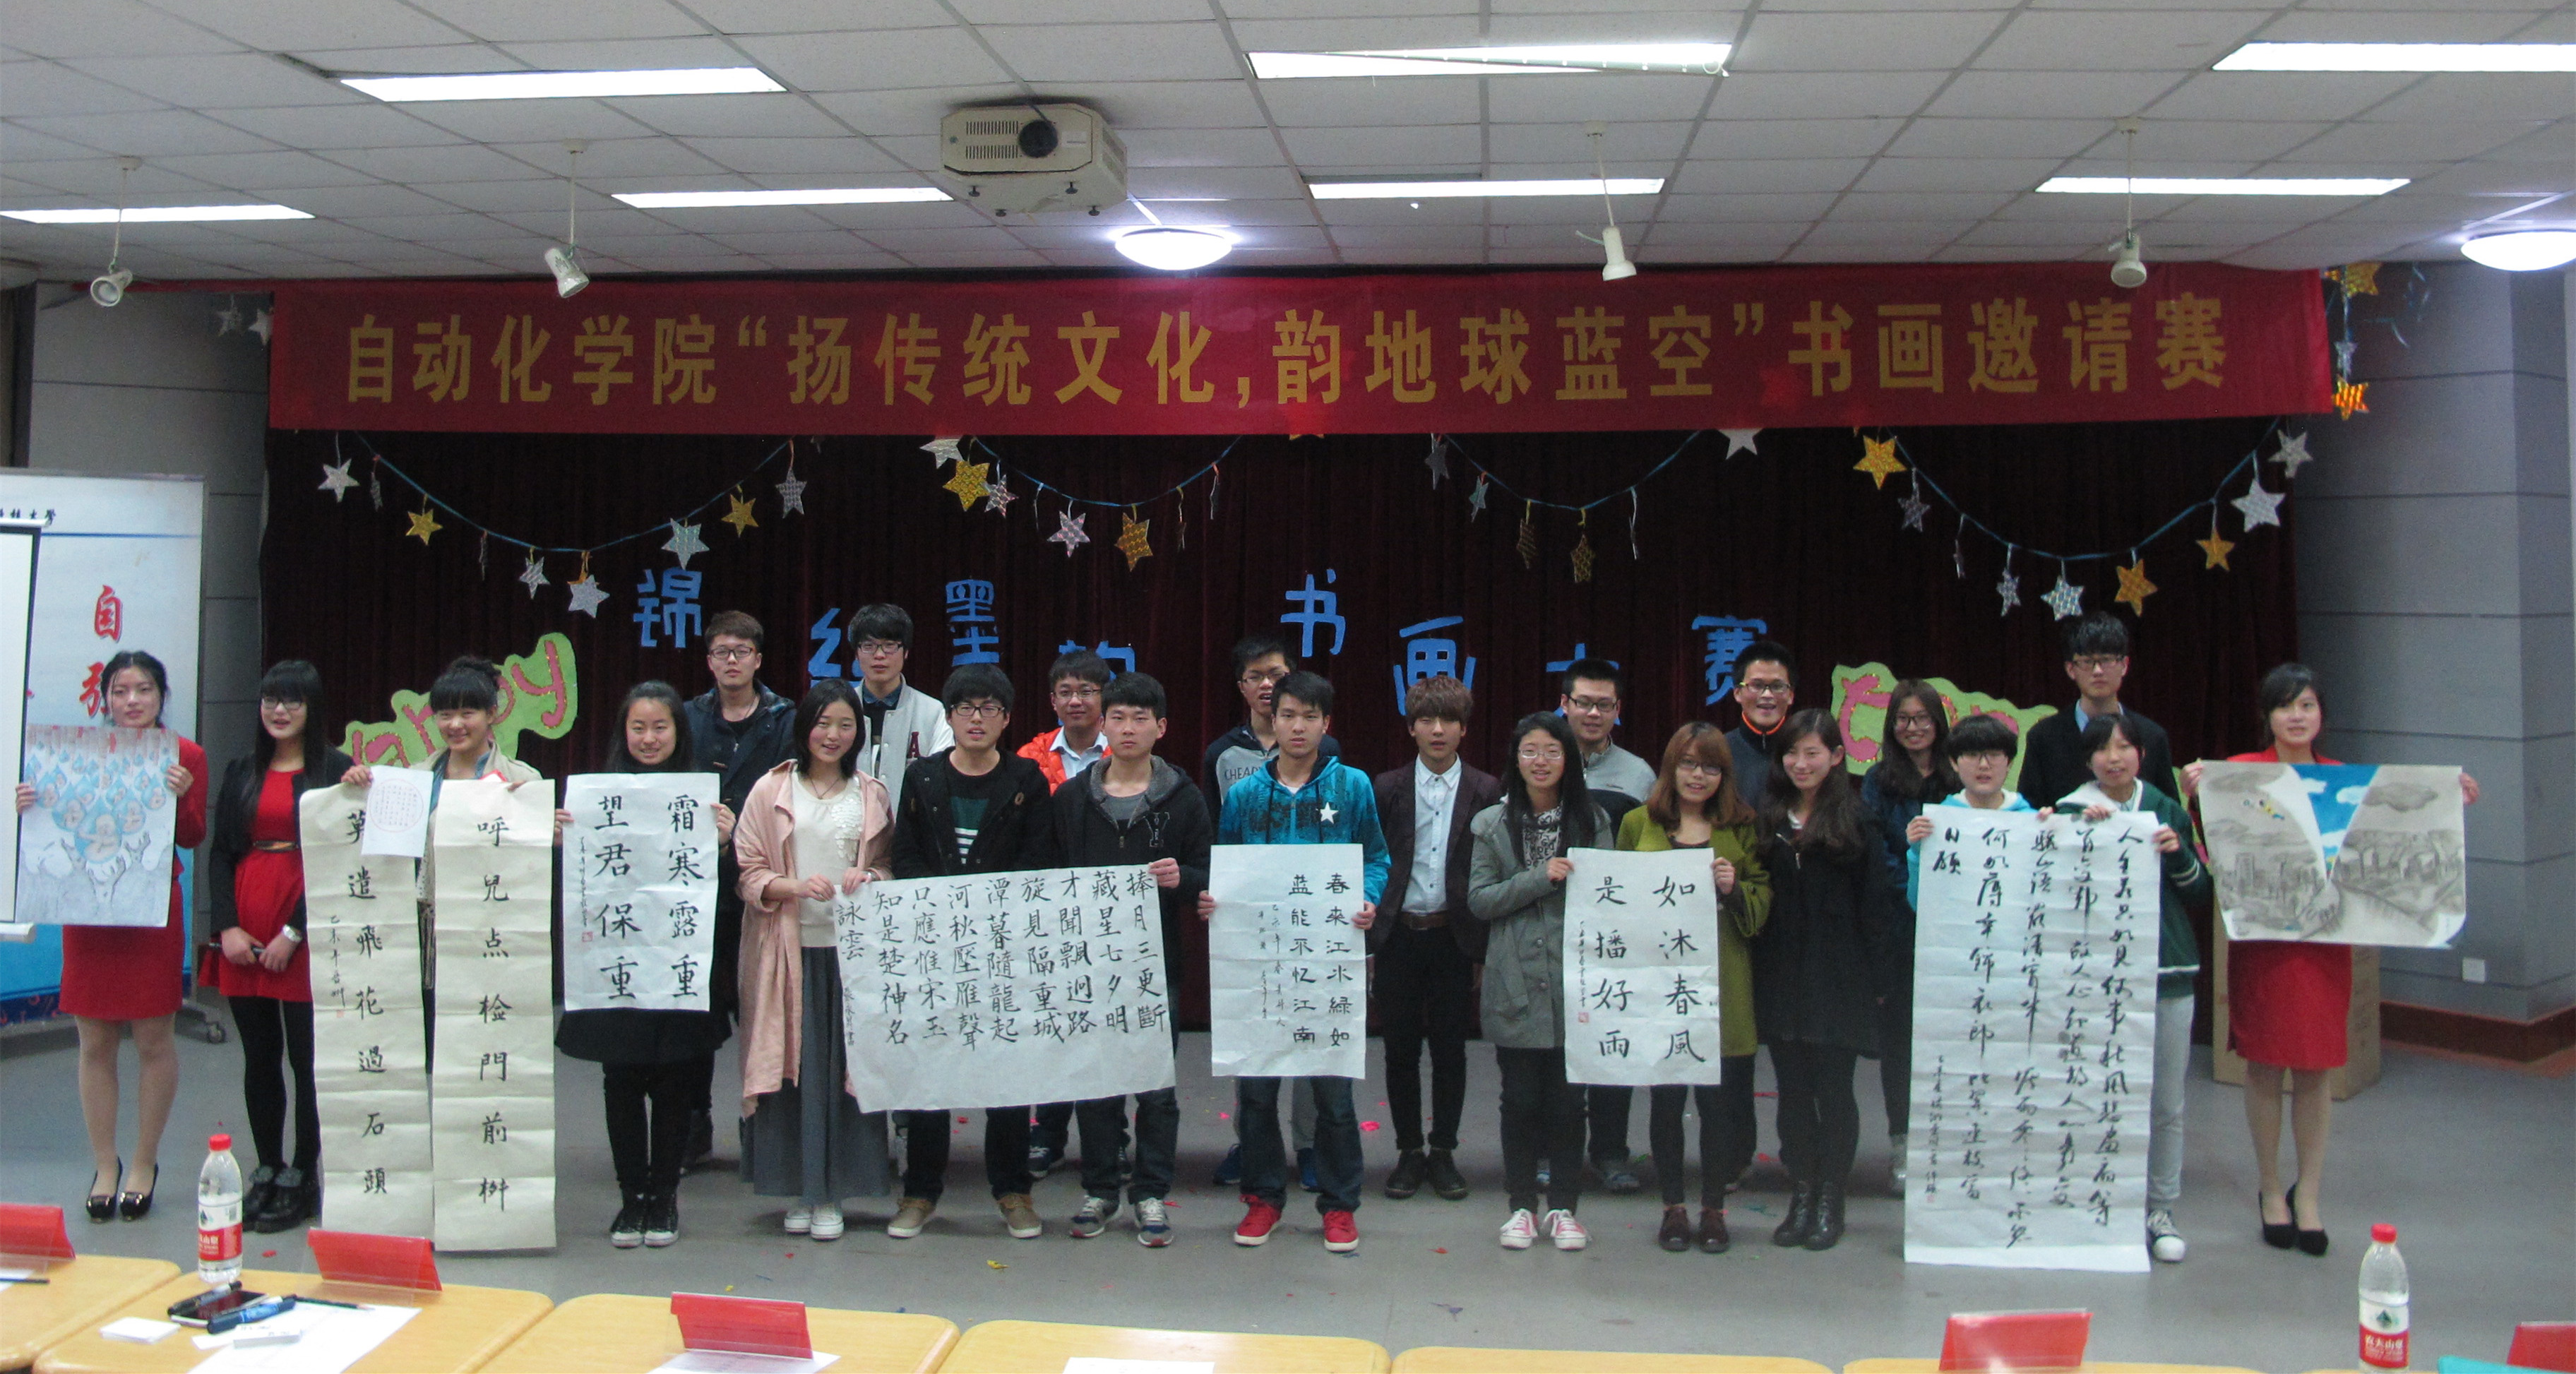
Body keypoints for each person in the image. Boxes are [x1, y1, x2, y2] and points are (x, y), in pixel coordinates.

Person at [2180, 663, 2479, 1258]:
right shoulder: (2240, 771)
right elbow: (2214, 846)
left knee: (2316, 1068)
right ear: (2267, 715)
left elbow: (2403, 832)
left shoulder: (2348, 779)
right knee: (2265, 1065)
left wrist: (2449, 799)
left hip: (2324, 948)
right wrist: (2196, 793)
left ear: (2322, 714)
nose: (2297, 716)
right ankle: (2271, 1189)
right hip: (2264, 946)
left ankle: (2309, 1194)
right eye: (2285, 706)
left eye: (2307, 705)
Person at [1198, 671, 1386, 1254]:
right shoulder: (1246, 795)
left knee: (1332, 1094)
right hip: (1260, 964)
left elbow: (1376, 858)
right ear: (1270, 720)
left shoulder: (1352, 786)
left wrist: (1368, 898)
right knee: (1256, 1092)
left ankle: (1339, 1204)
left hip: (1328, 963)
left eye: (1309, 716)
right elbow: (1227, 865)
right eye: (1287, 715)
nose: (1297, 726)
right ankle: (1263, 1199)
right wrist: (1215, 899)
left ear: (1326, 723)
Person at [24, 651, 205, 1222]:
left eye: (144, 689)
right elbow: (45, 830)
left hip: (150, 911)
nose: (132, 701)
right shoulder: (73, 756)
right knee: (95, 1042)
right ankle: (105, 1163)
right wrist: (25, 806)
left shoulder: (185, 755)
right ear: (104, 698)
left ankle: (145, 1162)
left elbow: (193, 835)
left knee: (153, 1040)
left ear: (161, 696)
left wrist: (182, 796)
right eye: (121, 691)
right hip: (89, 912)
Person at [559, 683, 738, 1250]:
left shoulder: (700, 798)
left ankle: (665, 1197)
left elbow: (721, 890)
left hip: (675, 963)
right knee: (621, 1083)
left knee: (675, 1082)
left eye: (660, 727)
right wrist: (564, 837)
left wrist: (723, 843)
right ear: (624, 732)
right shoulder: (598, 796)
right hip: (616, 965)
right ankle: (630, 1196)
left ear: (678, 732)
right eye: (638, 727)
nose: (649, 738)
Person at [886, 665, 1056, 1242]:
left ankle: (1013, 1191)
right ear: (950, 716)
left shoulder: (1026, 779)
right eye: (965, 708)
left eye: (989, 709)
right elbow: (904, 855)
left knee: (1006, 1072)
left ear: (1007, 719)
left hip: (1003, 951)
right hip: (936, 948)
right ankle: (919, 1192)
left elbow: (1038, 860)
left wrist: (990, 915)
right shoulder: (922, 777)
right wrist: (941, 910)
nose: (976, 719)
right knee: (930, 1072)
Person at [1053, 672, 1213, 1246]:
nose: (1127, 728)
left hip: (1156, 967)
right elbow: (1047, 877)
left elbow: (1208, 874)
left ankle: (1150, 1193)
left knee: (1156, 1088)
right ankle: (1099, 1189)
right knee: (1096, 1082)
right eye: (1117, 717)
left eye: (1140, 719)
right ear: (1103, 725)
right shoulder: (1072, 799)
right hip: (1089, 966)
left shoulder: (1183, 797)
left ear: (1160, 727)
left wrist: (1182, 878)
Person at [733, 679, 895, 1243]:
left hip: (850, 958)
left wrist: (868, 876)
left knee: (842, 1077)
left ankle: (832, 1194)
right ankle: (799, 1190)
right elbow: (748, 872)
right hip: (785, 951)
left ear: (859, 734)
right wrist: (795, 886)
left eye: (845, 725)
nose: (833, 735)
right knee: (791, 1072)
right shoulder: (771, 789)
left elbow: (889, 868)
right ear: (804, 728)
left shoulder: (871, 793)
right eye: (823, 723)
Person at [2053, 713, 2210, 1265]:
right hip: (2095, 981)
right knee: (2091, 1096)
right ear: (2088, 759)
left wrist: (2177, 852)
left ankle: (2160, 1210)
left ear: (2142, 754)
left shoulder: (2165, 808)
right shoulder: (2071, 810)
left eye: (2124, 747)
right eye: (2102, 749)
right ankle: (2094, 1206)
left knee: (2165, 1103)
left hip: (2167, 974)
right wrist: (2077, 836)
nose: (2114, 757)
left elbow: (2200, 892)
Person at [204, 660, 352, 1235]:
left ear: (312, 709)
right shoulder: (242, 769)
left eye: (292, 701)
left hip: (306, 928)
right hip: (246, 927)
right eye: (270, 700)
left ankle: (303, 1175)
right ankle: (266, 1167)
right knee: (259, 1058)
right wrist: (227, 928)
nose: (279, 711)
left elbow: (342, 858)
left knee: (307, 1060)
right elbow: (221, 853)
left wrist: (294, 933)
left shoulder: (336, 770)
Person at [1617, 722, 1771, 1255]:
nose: (1698, 775)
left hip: (1721, 981)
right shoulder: (1638, 823)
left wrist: (1735, 889)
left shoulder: (1742, 827)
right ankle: (1673, 1208)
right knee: (1665, 1104)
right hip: (1658, 986)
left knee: (1719, 1106)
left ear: (1724, 774)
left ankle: (1714, 1209)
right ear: (1670, 768)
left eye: (1710, 766)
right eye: (1688, 764)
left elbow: (1763, 901)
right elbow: (1615, 899)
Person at [1752, 709, 1900, 1252]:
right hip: (1781, 976)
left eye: (1812, 752)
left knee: (1834, 1091)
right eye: (1791, 753)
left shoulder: (1857, 821)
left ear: (1837, 757)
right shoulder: (1770, 818)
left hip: (1839, 977)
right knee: (1792, 1092)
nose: (1800, 763)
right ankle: (1802, 1192)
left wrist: (1879, 981)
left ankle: (1831, 1198)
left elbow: (1876, 908)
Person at [1199, 635, 1343, 1189]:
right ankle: (1252, 1142)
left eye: (1276, 674)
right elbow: (1216, 839)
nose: (1267, 685)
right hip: (1250, 918)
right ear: (1241, 687)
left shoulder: (1329, 753)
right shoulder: (1222, 755)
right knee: (1254, 1027)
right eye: (1255, 676)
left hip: (1312, 913)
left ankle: (1309, 1145)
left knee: (1308, 1025)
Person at [1465, 712, 1609, 1253]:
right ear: (1516, 758)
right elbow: (1480, 900)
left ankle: (1566, 1208)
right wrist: (1537, 878)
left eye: (1552, 751)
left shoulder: (1592, 820)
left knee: (1571, 1104)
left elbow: (1609, 894)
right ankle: (1521, 1207)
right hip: (1515, 980)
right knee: (1520, 1100)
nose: (1541, 761)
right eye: (1530, 751)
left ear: (1568, 758)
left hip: (1576, 979)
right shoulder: (1491, 824)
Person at [342, 657, 546, 1038]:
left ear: (491, 715)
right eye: (445, 715)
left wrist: (547, 828)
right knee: (427, 1037)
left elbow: (533, 869)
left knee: (482, 1036)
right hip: (425, 932)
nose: (455, 725)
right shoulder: (415, 778)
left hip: (490, 929)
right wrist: (358, 787)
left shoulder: (522, 780)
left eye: (468, 713)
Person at [1371, 675, 1501, 1203]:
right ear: (1411, 728)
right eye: (1427, 720)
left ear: (1464, 729)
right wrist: (1372, 941)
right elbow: (1374, 861)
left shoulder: (1487, 790)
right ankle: (1408, 1151)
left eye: (1449, 720)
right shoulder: (1386, 787)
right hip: (1398, 934)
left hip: (1454, 936)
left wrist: (1482, 948)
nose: (1438, 730)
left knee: (1451, 1050)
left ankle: (1444, 1151)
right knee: (1399, 1049)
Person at [679, 611, 798, 1168]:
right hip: (694, 885)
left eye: (742, 652)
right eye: (722, 652)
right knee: (695, 1009)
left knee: (761, 1008)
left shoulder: (786, 719)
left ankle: (759, 1126)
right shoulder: (686, 719)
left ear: (758, 659)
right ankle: (693, 1121)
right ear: (709, 661)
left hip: (763, 881)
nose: (732, 661)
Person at [1856, 679, 1958, 1190]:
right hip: (1899, 928)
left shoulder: (1960, 774)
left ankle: (1952, 1142)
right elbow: (1875, 854)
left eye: (1922, 718)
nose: (1913, 728)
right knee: (1900, 1043)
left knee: (1951, 1038)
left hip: (1957, 929)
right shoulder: (1878, 781)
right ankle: (1902, 1142)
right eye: (1903, 719)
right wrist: (1916, 886)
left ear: (1938, 722)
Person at [1018, 649, 1115, 1178]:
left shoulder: (1126, 751)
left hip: (1111, 914)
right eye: (1066, 692)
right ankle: (1047, 1134)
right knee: (1053, 1025)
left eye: (1087, 691)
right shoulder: (1030, 758)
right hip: (1049, 913)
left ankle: (1112, 1139)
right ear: (1052, 700)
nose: (1076, 701)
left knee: (1107, 1030)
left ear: (1105, 697)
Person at [1558, 658, 1653, 1195]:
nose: (1593, 713)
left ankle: (1611, 1152)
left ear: (1618, 710)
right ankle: (1556, 1151)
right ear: (1564, 704)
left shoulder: (1639, 774)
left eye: (1604, 705)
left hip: (1618, 933)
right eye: (1583, 703)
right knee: (1560, 1051)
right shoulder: (1541, 761)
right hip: (1555, 926)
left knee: (1614, 1046)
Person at [2019, 611, 2178, 811]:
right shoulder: (2043, 738)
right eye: (2087, 662)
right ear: (2070, 669)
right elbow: (2029, 813)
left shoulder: (2152, 736)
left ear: (2124, 665)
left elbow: (2170, 814)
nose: (2098, 671)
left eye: (2107, 660)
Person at [845, 604, 953, 821]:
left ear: (906, 652)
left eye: (890, 646)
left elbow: (941, 781)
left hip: (913, 829)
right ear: (856, 653)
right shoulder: (840, 708)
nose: (879, 655)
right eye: (869, 646)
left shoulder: (932, 712)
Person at [1726, 640, 1797, 804]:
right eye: (1756, 685)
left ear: (1791, 695)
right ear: (1737, 693)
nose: (1767, 695)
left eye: (1777, 686)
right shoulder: (1720, 751)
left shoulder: (1803, 754)